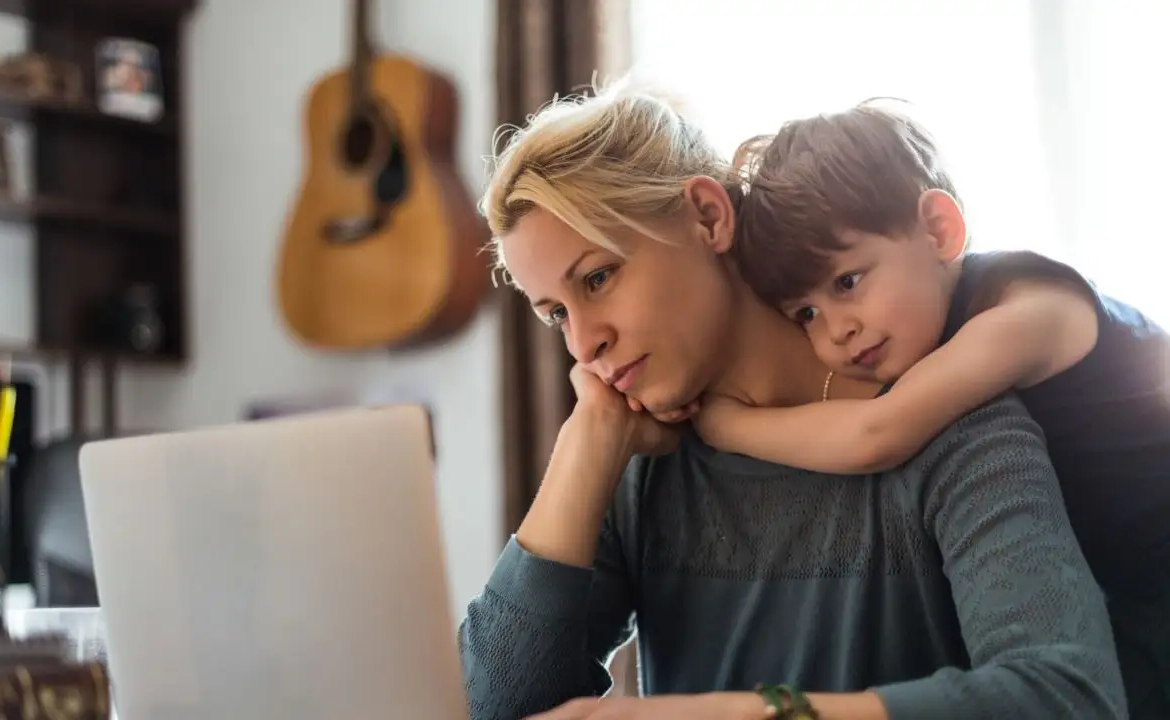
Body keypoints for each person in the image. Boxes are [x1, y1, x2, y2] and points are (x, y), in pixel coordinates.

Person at [457, 82, 1126, 720]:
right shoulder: (638, 461)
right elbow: (498, 705)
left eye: (598, 278)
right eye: (555, 316)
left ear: (708, 215)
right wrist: (586, 443)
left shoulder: (951, 421)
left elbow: (1066, 699)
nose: (584, 345)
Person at [694, 99, 1170, 717]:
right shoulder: (932, 335)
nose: (836, 330)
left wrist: (723, 423)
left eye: (846, 282)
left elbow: (875, 434)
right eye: (805, 314)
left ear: (939, 231)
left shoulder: (1028, 312)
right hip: (1125, 590)